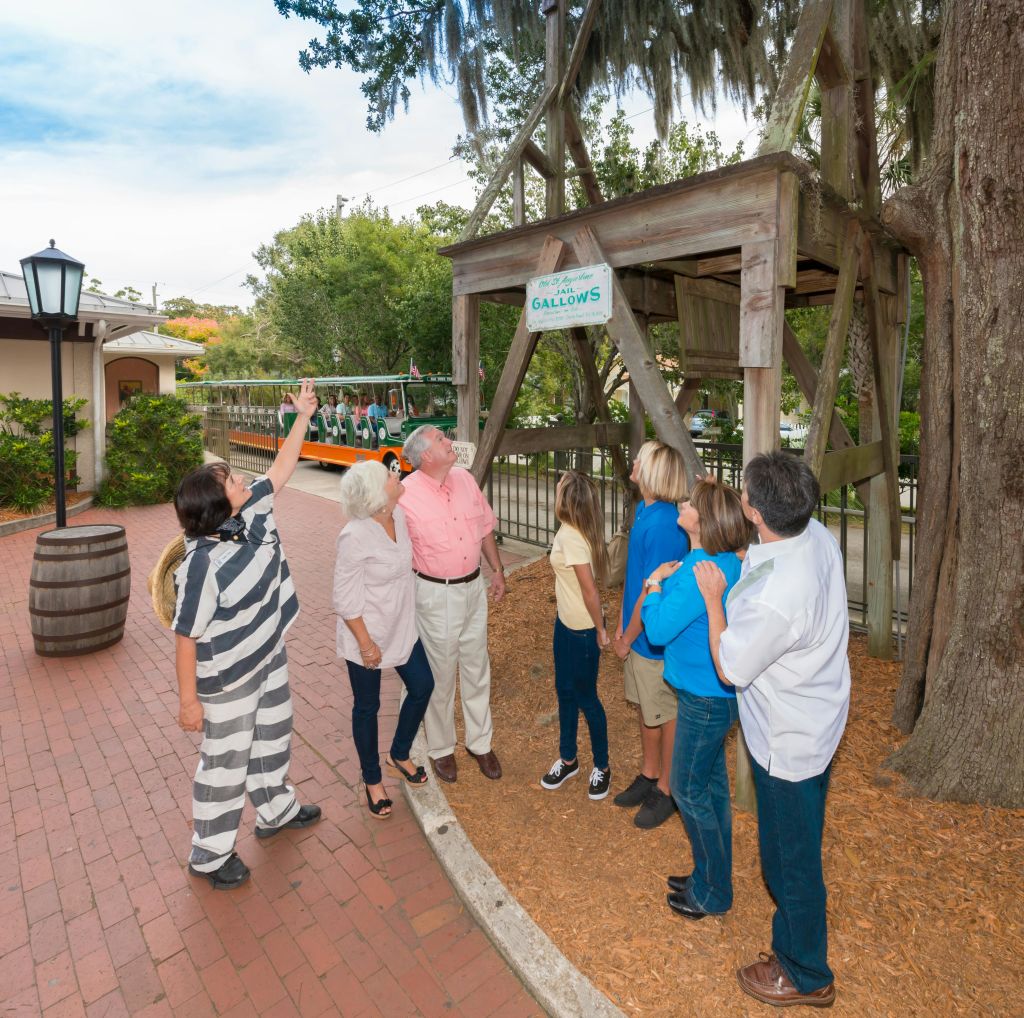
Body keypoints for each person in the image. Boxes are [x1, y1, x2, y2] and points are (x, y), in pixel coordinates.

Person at [694, 452, 849, 1008]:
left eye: (744, 494)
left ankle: (806, 973)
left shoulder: (777, 600)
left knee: (790, 862)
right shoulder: (817, 536)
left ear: (755, 511)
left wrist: (715, 601)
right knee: (798, 841)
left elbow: (729, 665)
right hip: (818, 716)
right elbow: (773, 565)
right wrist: (748, 556)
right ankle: (797, 955)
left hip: (789, 743)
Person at [173, 378, 322, 891]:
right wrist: (189, 702)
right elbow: (186, 636)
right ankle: (210, 854)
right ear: (219, 508)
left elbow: (281, 471)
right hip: (228, 677)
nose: (244, 480)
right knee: (225, 763)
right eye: (233, 480)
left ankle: (276, 810)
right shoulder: (199, 567)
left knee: (273, 736)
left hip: (267, 652)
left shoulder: (251, 508)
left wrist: (302, 415)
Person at [639, 478, 752, 919]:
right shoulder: (723, 559)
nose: (682, 503)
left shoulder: (696, 570)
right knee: (711, 787)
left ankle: (713, 893)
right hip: (719, 694)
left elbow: (659, 630)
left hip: (703, 700)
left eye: (691, 502)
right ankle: (711, 876)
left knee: (687, 790)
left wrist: (653, 585)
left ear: (702, 522)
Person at [400, 425, 505, 783]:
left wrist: (498, 570)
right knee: (441, 674)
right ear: (426, 455)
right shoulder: (403, 495)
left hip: (474, 588)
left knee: (477, 666)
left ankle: (480, 742)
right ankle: (441, 749)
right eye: (443, 439)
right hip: (435, 594)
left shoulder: (465, 480)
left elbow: (485, 527)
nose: (450, 442)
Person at [333, 461, 435, 818]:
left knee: (423, 685)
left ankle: (399, 753)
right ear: (378, 495)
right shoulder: (354, 536)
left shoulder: (399, 516)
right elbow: (344, 599)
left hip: (401, 625)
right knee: (367, 706)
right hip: (366, 633)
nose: (397, 476)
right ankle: (372, 779)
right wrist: (364, 644)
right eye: (390, 476)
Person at [612, 442, 689, 828]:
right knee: (647, 708)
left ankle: (667, 787)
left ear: (652, 471)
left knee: (665, 711)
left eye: (640, 456)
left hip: (653, 641)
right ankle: (649, 772)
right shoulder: (646, 510)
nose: (634, 460)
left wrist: (627, 637)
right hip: (639, 635)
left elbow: (651, 588)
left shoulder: (662, 525)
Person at [540, 472, 613, 800]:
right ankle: (568, 759)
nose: (556, 485)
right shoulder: (574, 530)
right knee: (565, 692)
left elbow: (589, 591)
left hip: (582, 632)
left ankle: (603, 766)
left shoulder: (571, 536)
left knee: (586, 698)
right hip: (565, 625)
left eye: (560, 485)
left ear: (568, 500)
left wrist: (600, 630)